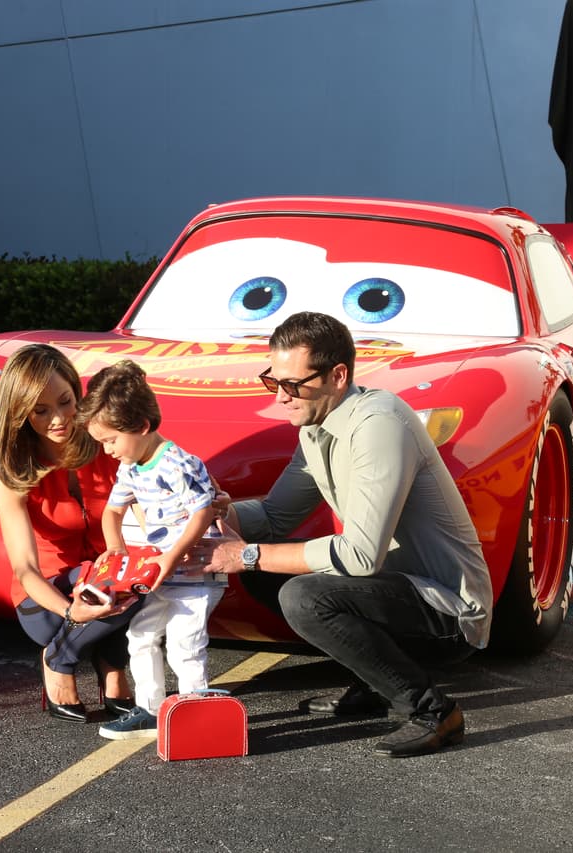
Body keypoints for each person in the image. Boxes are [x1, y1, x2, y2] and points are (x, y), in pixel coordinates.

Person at [200, 311, 493, 758]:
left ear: (338, 375)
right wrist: (215, 514)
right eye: (272, 380)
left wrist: (246, 555)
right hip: (393, 594)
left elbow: (360, 558)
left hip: (449, 614)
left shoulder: (379, 425)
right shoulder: (317, 426)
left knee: (302, 595)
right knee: (268, 574)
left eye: (293, 384)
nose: (280, 396)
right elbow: (277, 517)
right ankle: (373, 684)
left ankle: (434, 712)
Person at [0, 343, 139, 724]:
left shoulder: (108, 440)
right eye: (40, 411)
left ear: (78, 391)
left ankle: (82, 657)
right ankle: (69, 655)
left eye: (66, 401)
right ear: (20, 414)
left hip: (107, 575)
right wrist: (71, 612)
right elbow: (25, 569)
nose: (58, 419)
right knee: (97, 595)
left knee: (138, 579)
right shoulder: (13, 469)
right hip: (48, 596)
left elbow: (155, 488)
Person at [76, 359, 223, 740]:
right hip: (158, 575)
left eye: (110, 440)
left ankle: (195, 712)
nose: (106, 450)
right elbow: (112, 511)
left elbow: (204, 511)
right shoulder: (131, 468)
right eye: (101, 442)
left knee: (184, 644)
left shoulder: (179, 464)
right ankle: (149, 708)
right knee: (140, 635)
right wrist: (115, 549)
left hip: (194, 573)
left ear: (140, 426)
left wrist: (173, 555)